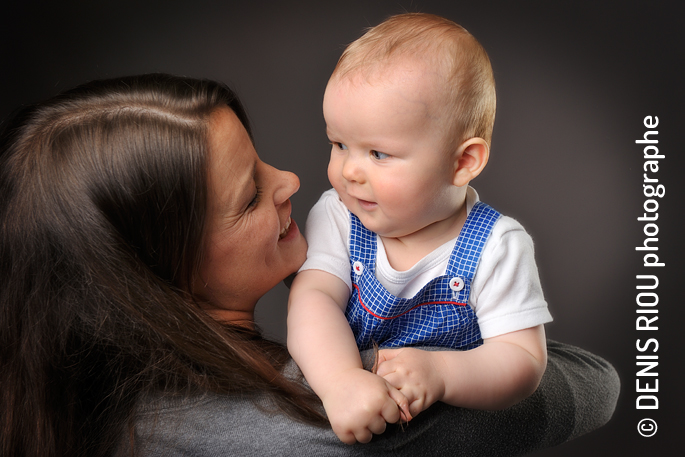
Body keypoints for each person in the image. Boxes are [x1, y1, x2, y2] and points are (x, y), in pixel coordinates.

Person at [0, 73, 618, 457]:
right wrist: (412, 369)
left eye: (262, 159)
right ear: (154, 276)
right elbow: (590, 385)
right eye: (248, 196)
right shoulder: (317, 423)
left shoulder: (114, 411)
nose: (293, 179)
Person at [287, 13, 553, 444]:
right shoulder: (339, 215)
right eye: (338, 144)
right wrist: (340, 381)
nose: (349, 171)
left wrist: (443, 373)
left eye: (378, 153)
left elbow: (523, 360)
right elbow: (313, 300)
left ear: (463, 162)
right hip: (353, 410)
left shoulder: (496, 246)